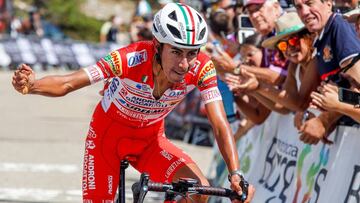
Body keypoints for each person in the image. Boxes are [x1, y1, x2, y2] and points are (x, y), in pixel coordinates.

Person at [12, 3, 254, 203]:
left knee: (198, 192)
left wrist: (235, 172)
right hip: (107, 139)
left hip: (150, 141)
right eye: (177, 52)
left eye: (192, 53)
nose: (184, 64)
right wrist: (33, 85)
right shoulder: (128, 58)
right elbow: (68, 83)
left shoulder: (202, 68)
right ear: (158, 46)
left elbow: (219, 122)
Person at [293, 0, 360, 144]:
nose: (304, 11)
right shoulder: (322, 36)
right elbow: (346, 93)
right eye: (298, 7)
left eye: (309, 3)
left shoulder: (339, 28)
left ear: (329, 3)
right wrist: (318, 110)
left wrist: (325, 118)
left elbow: (357, 94)